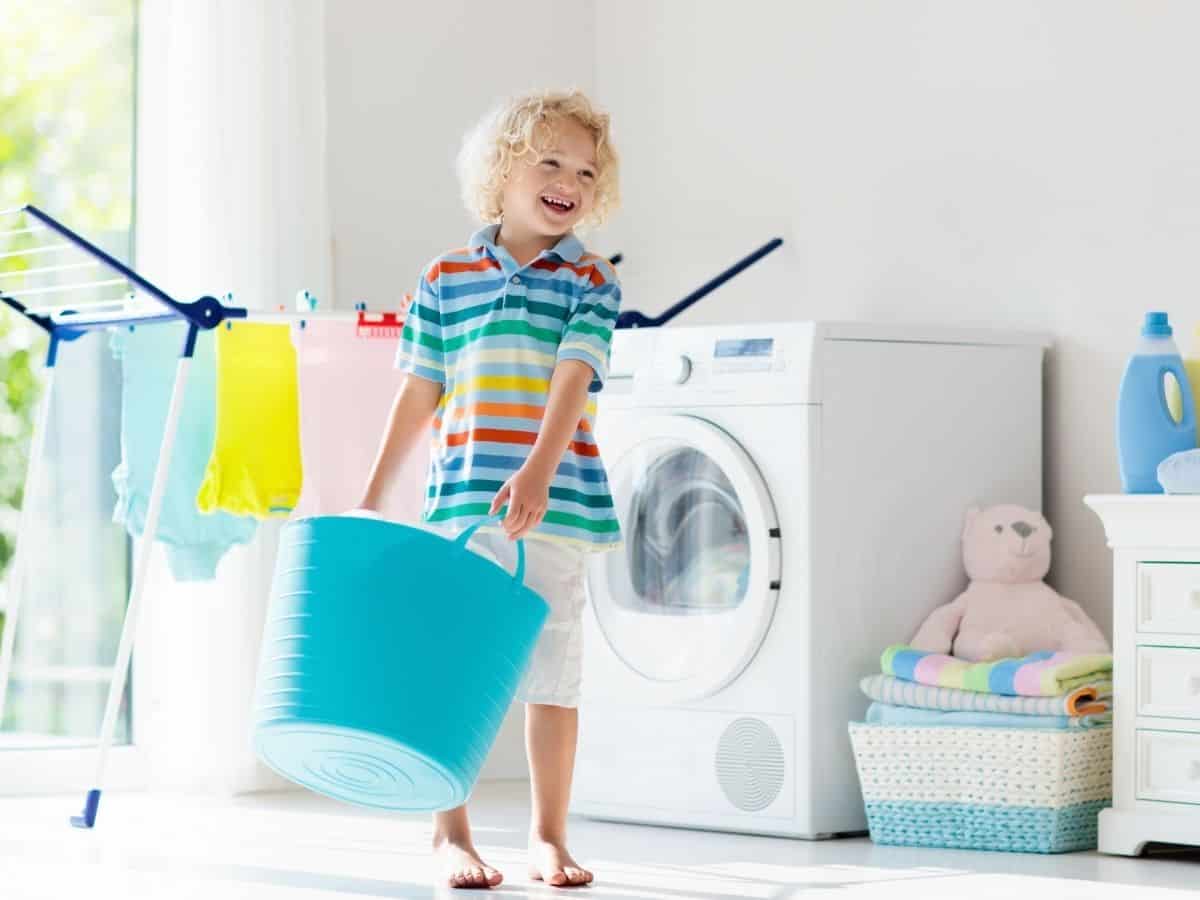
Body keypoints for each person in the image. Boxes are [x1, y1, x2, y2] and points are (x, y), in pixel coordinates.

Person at [358, 88, 622, 890]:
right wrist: (375, 497)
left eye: (584, 169)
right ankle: (450, 835)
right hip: (459, 504)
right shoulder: (444, 277)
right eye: (549, 161)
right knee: (448, 666)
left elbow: (575, 377)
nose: (567, 180)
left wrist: (538, 469)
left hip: (557, 501)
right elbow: (418, 392)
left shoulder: (589, 279)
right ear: (502, 170)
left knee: (553, 673)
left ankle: (547, 836)